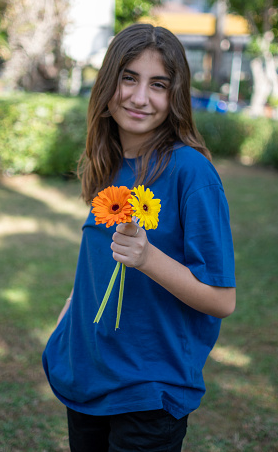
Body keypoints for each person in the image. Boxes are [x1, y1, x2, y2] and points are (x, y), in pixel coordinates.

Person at [42, 23, 236, 452]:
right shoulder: (106, 162)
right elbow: (95, 262)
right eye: (129, 77)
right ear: (109, 83)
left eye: (158, 84)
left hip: (150, 392)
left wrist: (148, 258)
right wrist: (67, 324)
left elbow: (222, 300)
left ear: (175, 96)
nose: (139, 97)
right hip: (88, 377)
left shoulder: (192, 173)